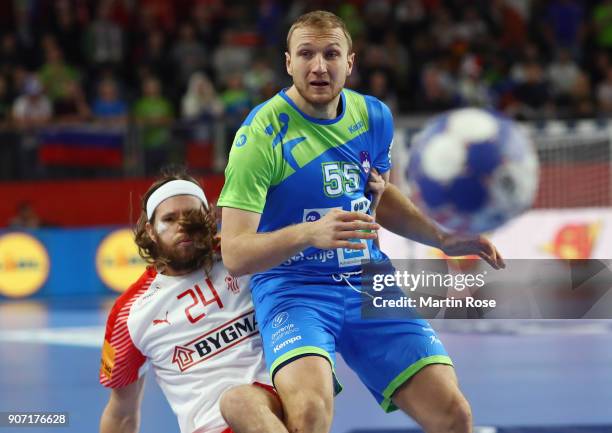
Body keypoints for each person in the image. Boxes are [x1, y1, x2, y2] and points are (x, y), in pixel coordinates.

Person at [218, 10, 505, 433]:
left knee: (454, 415)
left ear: (349, 62)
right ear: (288, 62)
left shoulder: (374, 117)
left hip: (369, 282)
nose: (319, 66)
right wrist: (310, 233)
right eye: (306, 54)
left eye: (331, 54)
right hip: (295, 291)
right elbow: (235, 253)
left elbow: (378, 194)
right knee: (310, 415)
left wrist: (441, 237)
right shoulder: (260, 136)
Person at [98, 169, 288, 433]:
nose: (182, 226)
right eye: (170, 219)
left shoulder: (246, 259)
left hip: (278, 410)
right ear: (151, 231)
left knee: (241, 403)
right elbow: (122, 413)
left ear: (208, 218)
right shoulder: (129, 313)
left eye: (191, 216)